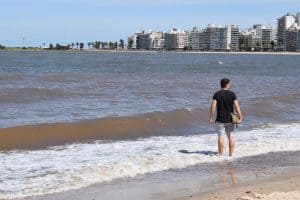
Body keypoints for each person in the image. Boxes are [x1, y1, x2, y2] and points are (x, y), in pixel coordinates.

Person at [209, 79, 243, 157]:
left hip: (220, 119)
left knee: (221, 136)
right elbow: (237, 106)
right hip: (230, 119)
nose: (230, 85)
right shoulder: (232, 94)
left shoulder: (217, 94)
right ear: (227, 84)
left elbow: (213, 106)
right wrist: (240, 116)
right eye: (229, 84)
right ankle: (231, 155)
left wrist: (211, 117)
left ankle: (221, 154)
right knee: (231, 135)